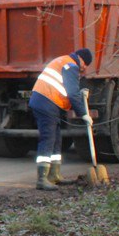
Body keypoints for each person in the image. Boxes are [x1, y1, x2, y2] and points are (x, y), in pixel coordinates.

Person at [28, 48, 92, 191]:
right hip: (46, 103)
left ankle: (54, 175)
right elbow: (72, 93)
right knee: (48, 139)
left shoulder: (63, 60)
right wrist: (83, 114)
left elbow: (66, 88)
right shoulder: (71, 66)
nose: (85, 68)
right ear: (81, 59)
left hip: (47, 102)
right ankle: (42, 179)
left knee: (57, 139)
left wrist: (79, 93)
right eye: (86, 64)